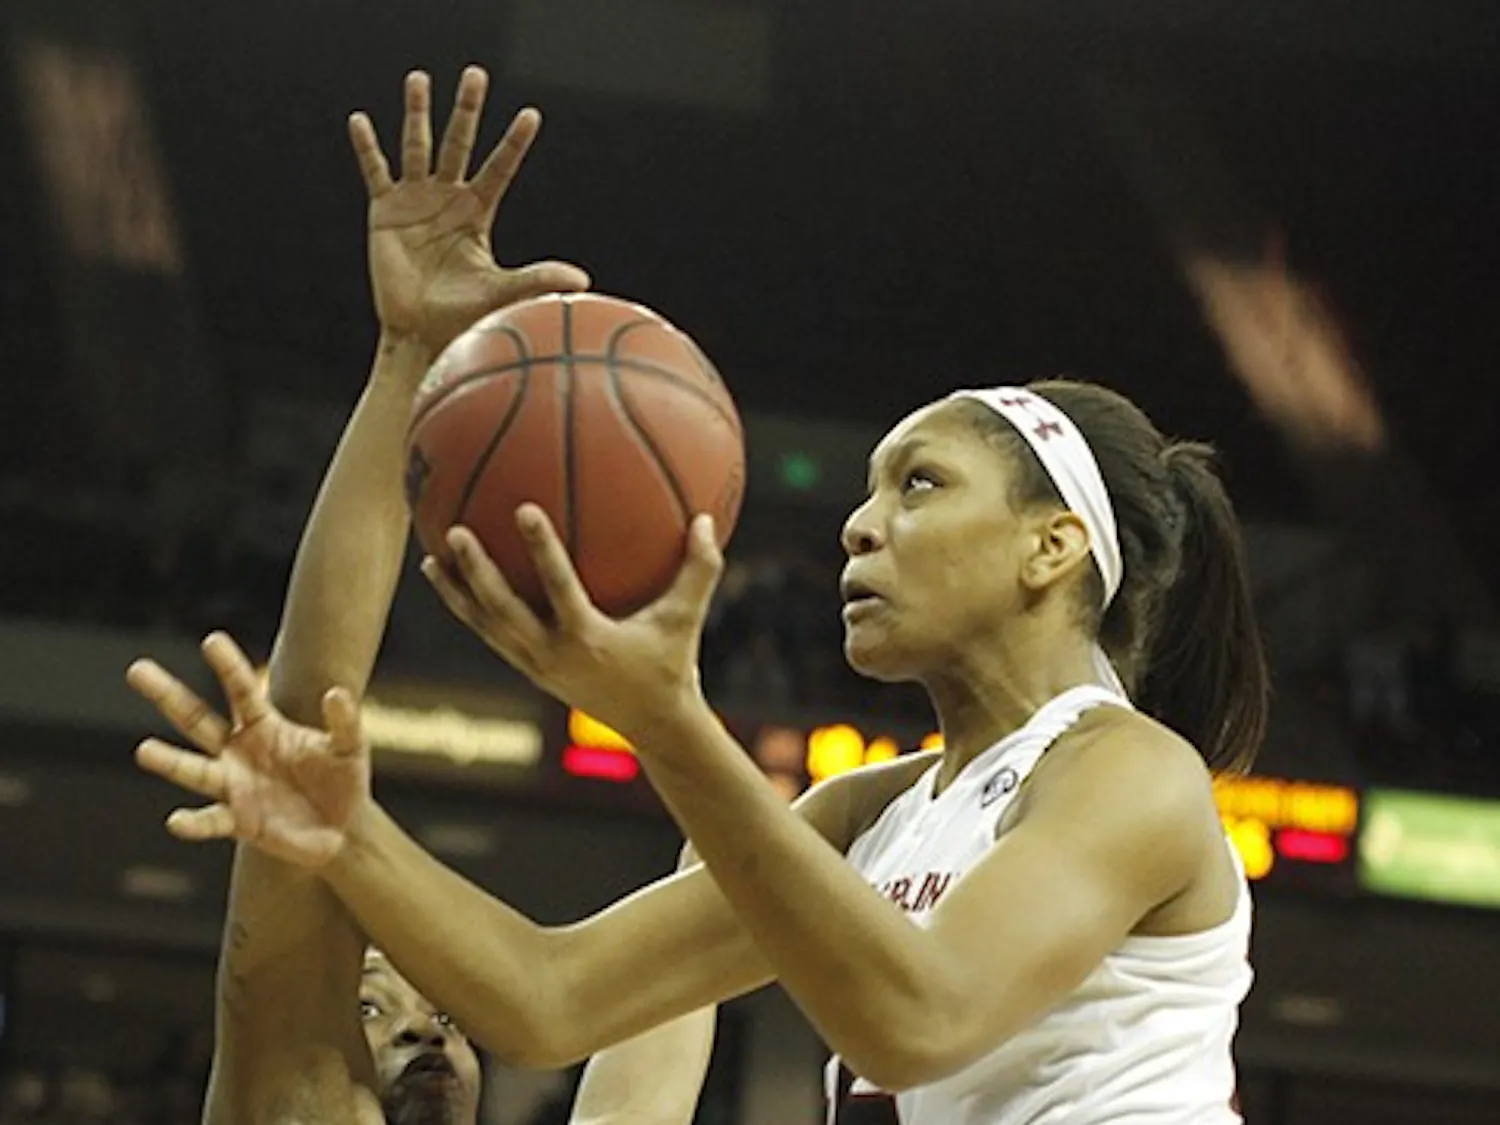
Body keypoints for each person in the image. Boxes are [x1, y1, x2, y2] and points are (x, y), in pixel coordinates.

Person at [131, 225, 1269, 1121]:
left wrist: (668, 723)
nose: (860, 528)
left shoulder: (1127, 772)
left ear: (1052, 546)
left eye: (919, 485)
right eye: (867, 493)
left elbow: (923, 1017)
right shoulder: (862, 814)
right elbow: (550, 999)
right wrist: (347, 834)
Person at [125, 64, 702, 1125]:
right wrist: (409, 361)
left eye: (441, 1011)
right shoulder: (295, 1107)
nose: (422, 1028)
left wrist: (675, 709)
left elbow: (689, 955)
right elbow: (312, 699)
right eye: (375, 1007)